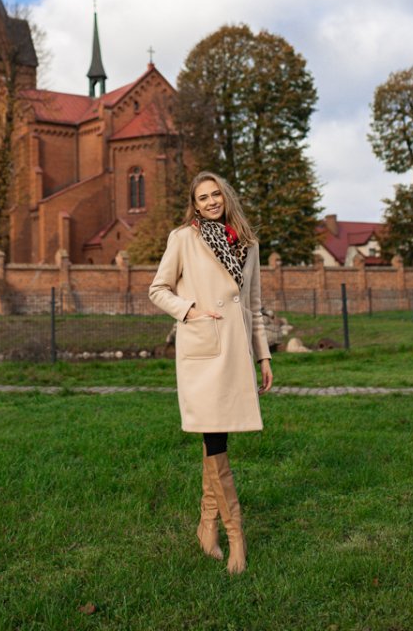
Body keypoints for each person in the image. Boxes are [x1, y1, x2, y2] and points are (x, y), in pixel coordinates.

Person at [148, 170, 273, 574]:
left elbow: (253, 306)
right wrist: (190, 310)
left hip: (237, 352)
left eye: (216, 194)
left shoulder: (248, 244)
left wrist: (264, 356)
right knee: (214, 436)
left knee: (216, 438)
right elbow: (158, 289)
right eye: (202, 198)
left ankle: (207, 525)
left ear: (226, 196)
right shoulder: (183, 238)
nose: (211, 202)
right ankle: (236, 535)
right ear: (195, 205)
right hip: (203, 353)